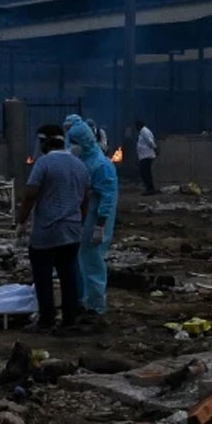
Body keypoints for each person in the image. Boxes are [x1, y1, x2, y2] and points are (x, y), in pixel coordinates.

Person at [16, 124, 89, 331]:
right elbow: (85, 199)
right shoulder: (79, 165)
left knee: (43, 276)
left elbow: (30, 194)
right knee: (68, 275)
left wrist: (21, 222)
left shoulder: (44, 163)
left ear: (44, 142)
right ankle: (69, 319)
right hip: (71, 231)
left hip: (46, 232)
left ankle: (46, 319)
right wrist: (79, 222)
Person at [68, 122, 118, 316]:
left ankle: (96, 305)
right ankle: (85, 300)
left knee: (93, 262)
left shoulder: (101, 165)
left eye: (73, 141)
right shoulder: (85, 160)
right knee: (83, 261)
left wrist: (100, 226)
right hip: (86, 220)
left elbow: (107, 197)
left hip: (96, 221)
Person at [136, 119, 158, 195]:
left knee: (146, 173)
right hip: (144, 156)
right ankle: (149, 188)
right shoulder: (142, 132)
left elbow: (150, 141)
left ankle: (150, 189)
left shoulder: (144, 131)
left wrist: (155, 148)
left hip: (147, 156)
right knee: (145, 173)